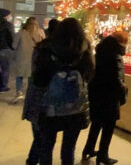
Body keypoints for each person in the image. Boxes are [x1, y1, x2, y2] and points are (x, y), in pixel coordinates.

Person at [31, 18, 93, 165]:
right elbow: (89, 75)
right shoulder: (84, 50)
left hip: (50, 108)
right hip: (75, 108)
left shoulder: (45, 48)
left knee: (47, 146)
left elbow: (38, 79)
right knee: (69, 149)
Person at [82, 31, 128, 165]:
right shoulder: (116, 55)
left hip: (97, 92)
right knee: (109, 125)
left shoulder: (101, 50)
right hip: (110, 95)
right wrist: (123, 92)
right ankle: (103, 155)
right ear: (122, 42)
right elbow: (117, 78)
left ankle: (88, 149)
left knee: (96, 123)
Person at [23, 19, 59, 165]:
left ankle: (32, 160)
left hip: (34, 96)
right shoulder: (56, 52)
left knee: (39, 135)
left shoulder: (39, 48)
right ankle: (35, 160)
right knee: (47, 138)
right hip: (46, 100)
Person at [10, 17, 42, 103]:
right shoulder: (39, 33)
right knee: (31, 77)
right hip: (34, 58)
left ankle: (19, 92)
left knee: (19, 76)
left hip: (21, 58)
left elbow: (14, 46)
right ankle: (30, 94)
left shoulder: (21, 33)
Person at [0, 8, 14, 92]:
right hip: (5, 49)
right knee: (5, 69)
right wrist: (11, 47)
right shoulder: (7, 25)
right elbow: (10, 37)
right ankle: (3, 86)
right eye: (9, 14)